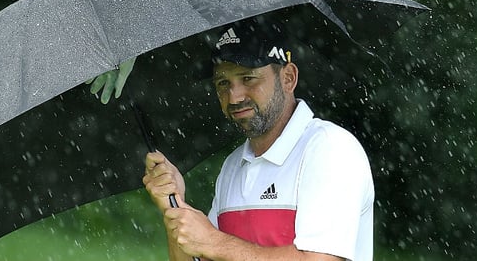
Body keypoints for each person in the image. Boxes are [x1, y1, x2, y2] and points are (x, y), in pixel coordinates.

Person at [143, 18, 375, 261]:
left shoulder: (330, 149)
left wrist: (213, 242)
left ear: (288, 78)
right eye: (223, 83)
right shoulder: (233, 166)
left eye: (248, 78)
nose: (234, 97)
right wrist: (175, 206)